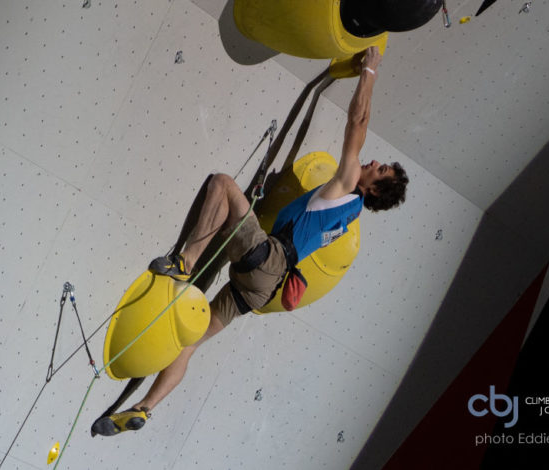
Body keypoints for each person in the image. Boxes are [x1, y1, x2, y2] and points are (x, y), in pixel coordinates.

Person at [101, 47, 409, 434]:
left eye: (377, 169)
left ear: (375, 191)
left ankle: (185, 265)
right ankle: (145, 407)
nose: (369, 163)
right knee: (189, 342)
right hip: (262, 290)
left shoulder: (348, 188)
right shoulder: (348, 218)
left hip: (269, 259)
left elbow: (357, 122)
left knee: (223, 185)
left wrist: (369, 69)